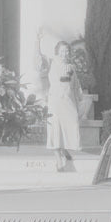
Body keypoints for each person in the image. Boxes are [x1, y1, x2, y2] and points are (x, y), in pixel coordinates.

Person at [37, 31, 83, 172]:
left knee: (72, 124)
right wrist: (37, 42)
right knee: (55, 129)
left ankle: (65, 149)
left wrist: (78, 102)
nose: (65, 54)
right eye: (62, 51)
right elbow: (39, 60)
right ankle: (58, 158)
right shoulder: (52, 63)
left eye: (67, 51)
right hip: (56, 102)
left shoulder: (71, 67)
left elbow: (75, 86)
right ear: (57, 52)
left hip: (68, 102)